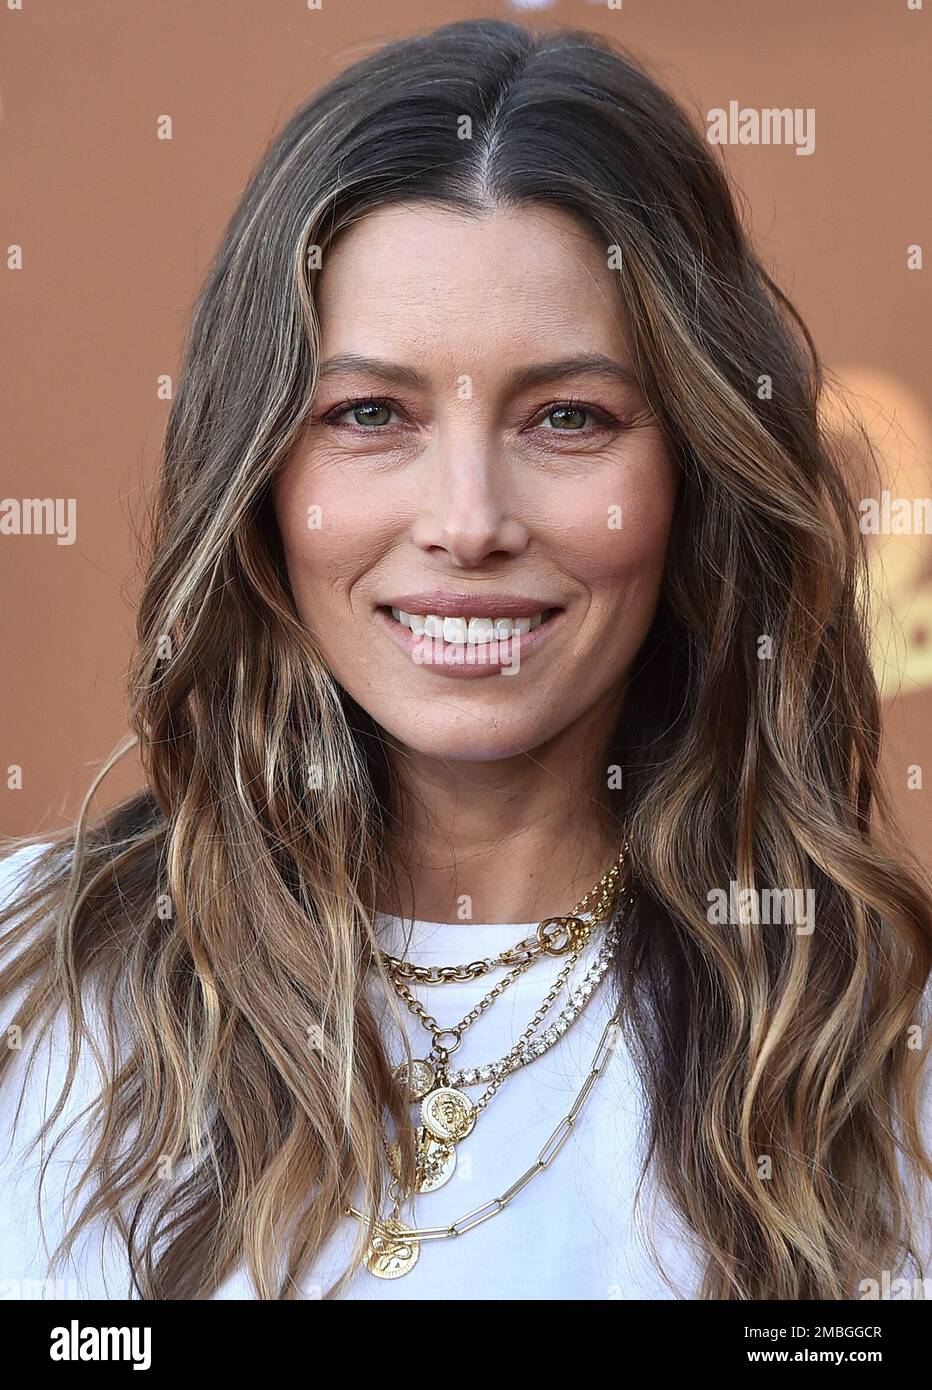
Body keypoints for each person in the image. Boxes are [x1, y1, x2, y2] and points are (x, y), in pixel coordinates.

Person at [1, 18, 930, 1301]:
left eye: (566, 417)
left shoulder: (873, 1050)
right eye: (369, 414)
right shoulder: (29, 985)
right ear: (260, 470)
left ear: (693, 472)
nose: (467, 519)